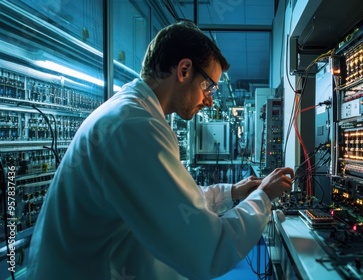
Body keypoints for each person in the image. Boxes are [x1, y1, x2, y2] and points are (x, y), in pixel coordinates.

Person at [26, 21, 294, 279]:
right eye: (208, 86)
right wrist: (262, 197)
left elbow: (173, 203)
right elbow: (206, 250)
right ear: (184, 70)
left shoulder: (133, 113)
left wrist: (232, 192)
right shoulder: (134, 126)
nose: (210, 101)